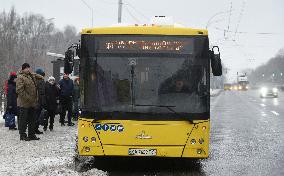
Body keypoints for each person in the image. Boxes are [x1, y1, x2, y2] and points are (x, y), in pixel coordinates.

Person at [16, 63, 43, 141]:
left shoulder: (31, 75)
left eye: (29, 68)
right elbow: (19, 90)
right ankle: (22, 135)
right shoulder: (20, 77)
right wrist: (28, 98)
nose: (28, 69)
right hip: (24, 103)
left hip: (32, 103)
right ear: (23, 69)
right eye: (26, 68)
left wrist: (33, 73)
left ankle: (31, 135)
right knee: (23, 120)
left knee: (32, 120)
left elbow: (41, 77)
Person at [35, 68, 46, 134]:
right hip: (39, 101)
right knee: (37, 116)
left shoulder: (34, 80)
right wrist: (43, 102)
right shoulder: (41, 81)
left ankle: (35, 129)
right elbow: (42, 93)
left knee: (35, 116)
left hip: (35, 101)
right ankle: (35, 129)